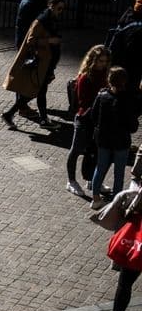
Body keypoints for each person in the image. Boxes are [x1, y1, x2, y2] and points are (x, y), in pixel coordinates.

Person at [2, 0, 66, 131]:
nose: (60, 12)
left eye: (62, 9)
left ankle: (11, 114)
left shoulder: (52, 20)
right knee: (38, 91)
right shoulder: (41, 21)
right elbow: (31, 41)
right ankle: (40, 119)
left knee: (39, 91)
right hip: (41, 63)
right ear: (52, 6)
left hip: (47, 63)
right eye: (59, 8)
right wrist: (50, 41)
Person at [90, 67, 141, 210]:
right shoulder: (128, 100)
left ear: (109, 80)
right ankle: (115, 202)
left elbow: (93, 116)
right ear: (124, 82)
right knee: (119, 172)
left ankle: (95, 199)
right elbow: (133, 126)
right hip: (121, 141)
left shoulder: (101, 96)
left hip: (103, 140)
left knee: (100, 168)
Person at [65, 45, 110, 198]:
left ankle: (92, 179)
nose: (103, 64)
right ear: (93, 61)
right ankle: (71, 181)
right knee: (76, 150)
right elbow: (83, 102)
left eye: (105, 61)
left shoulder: (105, 74)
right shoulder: (85, 77)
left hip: (98, 119)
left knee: (94, 151)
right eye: (100, 61)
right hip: (84, 118)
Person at [12, 0, 47, 120]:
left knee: (26, 73)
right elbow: (30, 28)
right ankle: (22, 106)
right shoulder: (29, 4)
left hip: (27, 43)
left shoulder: (34, 0)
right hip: (27, 44)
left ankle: (22, 104)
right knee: (25, 75)